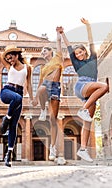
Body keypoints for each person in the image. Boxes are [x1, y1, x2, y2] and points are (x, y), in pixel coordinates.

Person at [59, 18, 109, 162]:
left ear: (85, 51)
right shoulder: (76, 63)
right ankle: (83, 109)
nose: (79, 55)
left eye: (80, 52)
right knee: (104, 86)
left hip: (91, 91)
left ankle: (82, 150)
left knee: (88, 121)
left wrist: (88, 27)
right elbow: (69, 47)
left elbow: (91, 42)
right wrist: (63, 34)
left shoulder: (93, 57)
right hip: (82, 86)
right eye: (77, 54)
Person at [0, 31, 33, 167]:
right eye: (7, 58)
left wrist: (32, 98)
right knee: (18, 98)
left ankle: (9, 155)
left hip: (19, 94)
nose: (9, 60)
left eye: (11, 57)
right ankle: (6, 118)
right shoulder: (9, 66)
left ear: (17, 55)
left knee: (14, 126)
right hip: (7, 91)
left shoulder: (28, 68)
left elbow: (29, 84)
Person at [31, 27, 66, 165]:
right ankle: (42, 109)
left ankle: (52, 148)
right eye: (42, 52)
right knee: (41, 89)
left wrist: (58, 34)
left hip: (56, 88)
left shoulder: (57, 58)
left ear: (50, 51)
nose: (43, 53)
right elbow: (40, 83)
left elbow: (59, 43)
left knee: (53, 119)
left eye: (44, 51)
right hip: (46, 86)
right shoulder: (42, 68)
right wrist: (35, 98)